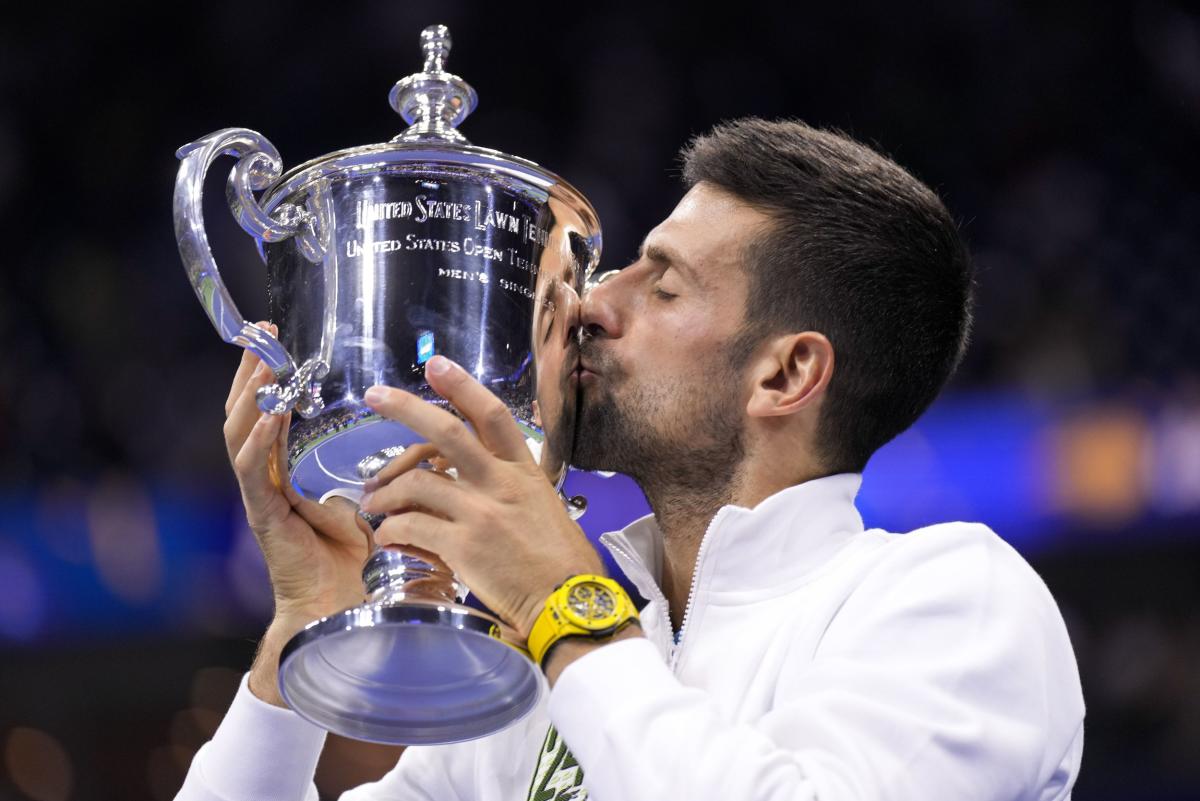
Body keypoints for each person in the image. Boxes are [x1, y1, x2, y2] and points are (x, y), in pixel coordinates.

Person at [175, 117, 1085, 801]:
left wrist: (562, 601)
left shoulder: (957, 601)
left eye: (664, 283)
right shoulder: (533, 685)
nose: (592, 306)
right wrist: (306, 621)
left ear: (787, 372)